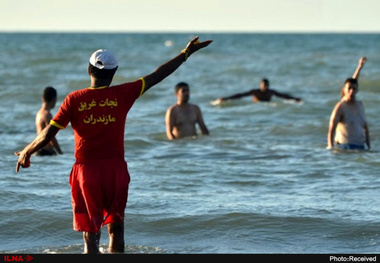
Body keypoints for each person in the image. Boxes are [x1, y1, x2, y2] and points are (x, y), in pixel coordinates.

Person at [15, 36, 212, 254]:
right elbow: (158, 75)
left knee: (91, 234)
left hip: (86, 172)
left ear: (89, 71)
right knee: (116, 229)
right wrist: (185, 53)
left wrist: (27, 151)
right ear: (114, 72)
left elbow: (47, 134)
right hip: (115, 171)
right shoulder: (123, 93)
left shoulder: (74, 99)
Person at [327, 57, 370, 150]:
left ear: (357, 90)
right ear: (344, 89)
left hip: (361, 148)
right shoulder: (341, 106)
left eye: (354, 89)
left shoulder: (360, 105)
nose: (351, 91)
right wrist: (330, 148)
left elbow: (366, 128)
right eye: (349, 89)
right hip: (345, 148)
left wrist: (369, 148)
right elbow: (331, 128)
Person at [216, 78, 301, 103]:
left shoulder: (271, 92)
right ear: (260, 85)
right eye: (264, 85)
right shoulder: (255, 91)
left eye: (267, 85)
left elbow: (283, 96)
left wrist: (294, 99)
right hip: (257, 104)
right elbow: (240, 95)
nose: (265, 87)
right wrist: (226, 99)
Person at [35, 87, 63, 156]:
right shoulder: (47, 115)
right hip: (45, 152)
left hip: (38, 150)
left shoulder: (39, 113)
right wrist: (60, 153)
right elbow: (51, 136)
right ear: (54, 100)